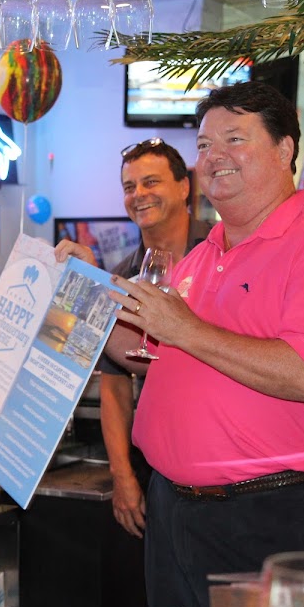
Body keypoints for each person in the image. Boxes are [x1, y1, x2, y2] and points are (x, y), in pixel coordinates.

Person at [104, 81, 304, 607]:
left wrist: (184, 328)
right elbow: (151, 356)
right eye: (205, 145)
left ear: (284, 149)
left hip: (262, 513)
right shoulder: (205, 253)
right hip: (172, 509)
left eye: (234, 138)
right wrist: (78, 303)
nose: (214, 156)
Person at [55, 138, 214, 540]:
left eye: (151, 182)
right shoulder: (124, 275)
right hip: (159, 464)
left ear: (184, 187)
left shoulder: (222, 252)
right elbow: (115, 386)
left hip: (225, 458)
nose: (139, 194)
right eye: (130, 187)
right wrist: (122, 475)